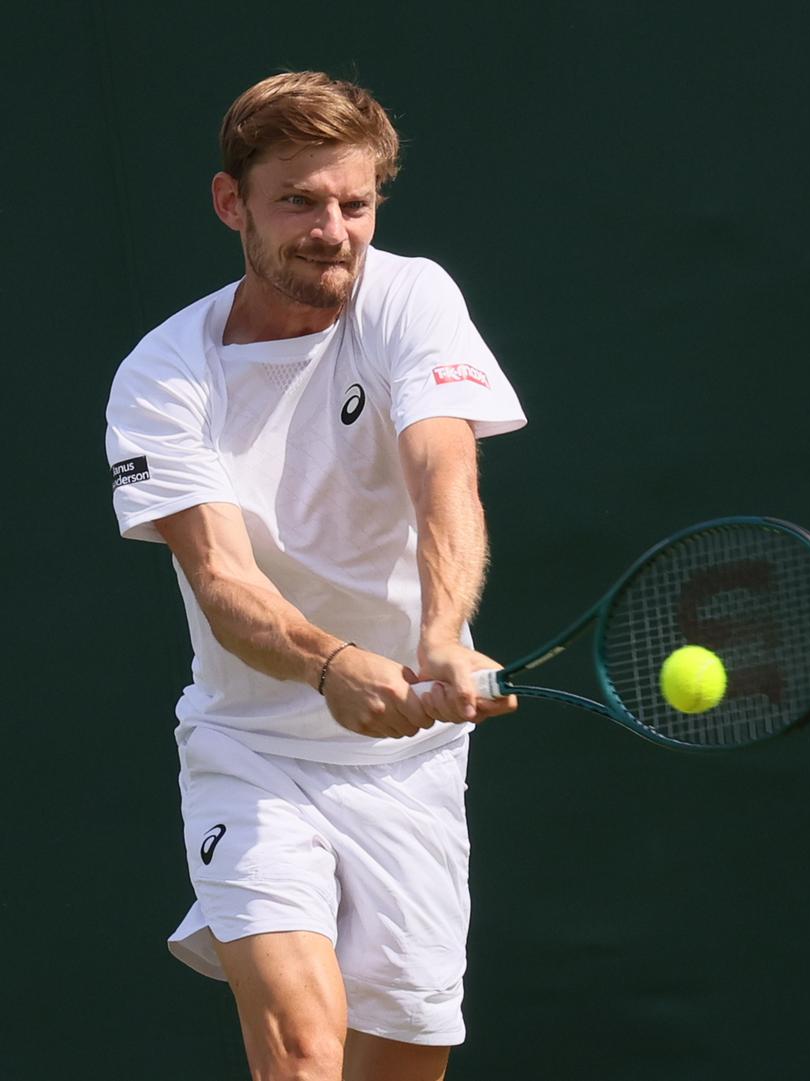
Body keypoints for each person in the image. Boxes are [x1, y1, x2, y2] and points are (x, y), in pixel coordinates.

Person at [104, 72, 526, 1081]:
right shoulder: (163, 374)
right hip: (252, 751)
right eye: (298, 201)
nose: (333, 232)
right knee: (301, 1051)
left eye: (355, 204)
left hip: (412, 768)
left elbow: (443, 473)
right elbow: (222, 579)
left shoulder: (411, 297)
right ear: (232, 203)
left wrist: (439, 636)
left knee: (400, 1066)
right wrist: (333, 665)